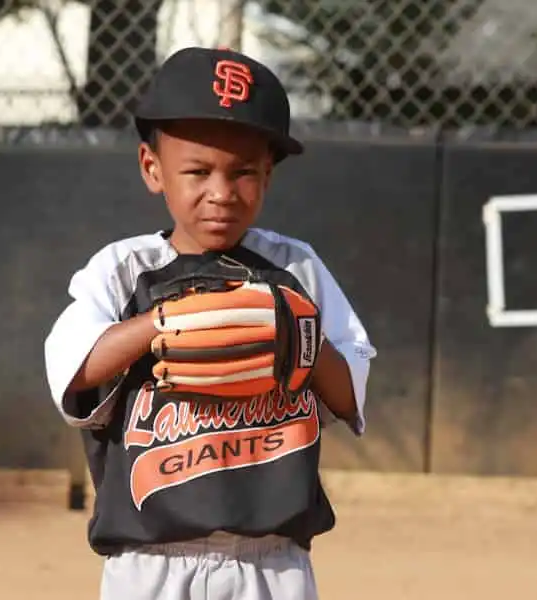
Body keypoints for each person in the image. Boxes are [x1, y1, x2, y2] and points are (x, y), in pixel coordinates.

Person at [42, 46, 377, 600]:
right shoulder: (124, 271)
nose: (221, 193)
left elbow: (350, 393)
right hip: (150, 560)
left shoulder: (296, 270)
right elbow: (73, 368)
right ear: (154, 170)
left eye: (243, 172)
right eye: (197, 171)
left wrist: (305, 344)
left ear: (267, 176)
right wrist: (160, 324)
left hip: (274, 559)